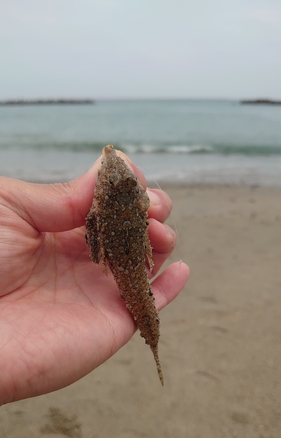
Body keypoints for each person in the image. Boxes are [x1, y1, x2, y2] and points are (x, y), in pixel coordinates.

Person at [0, 152, 189, 405]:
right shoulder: (124, 202)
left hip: (129, 267)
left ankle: (154, 346)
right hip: (130, 269)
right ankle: (155, 350)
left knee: (145, 289)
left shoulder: (101, 206)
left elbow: (94, 223)